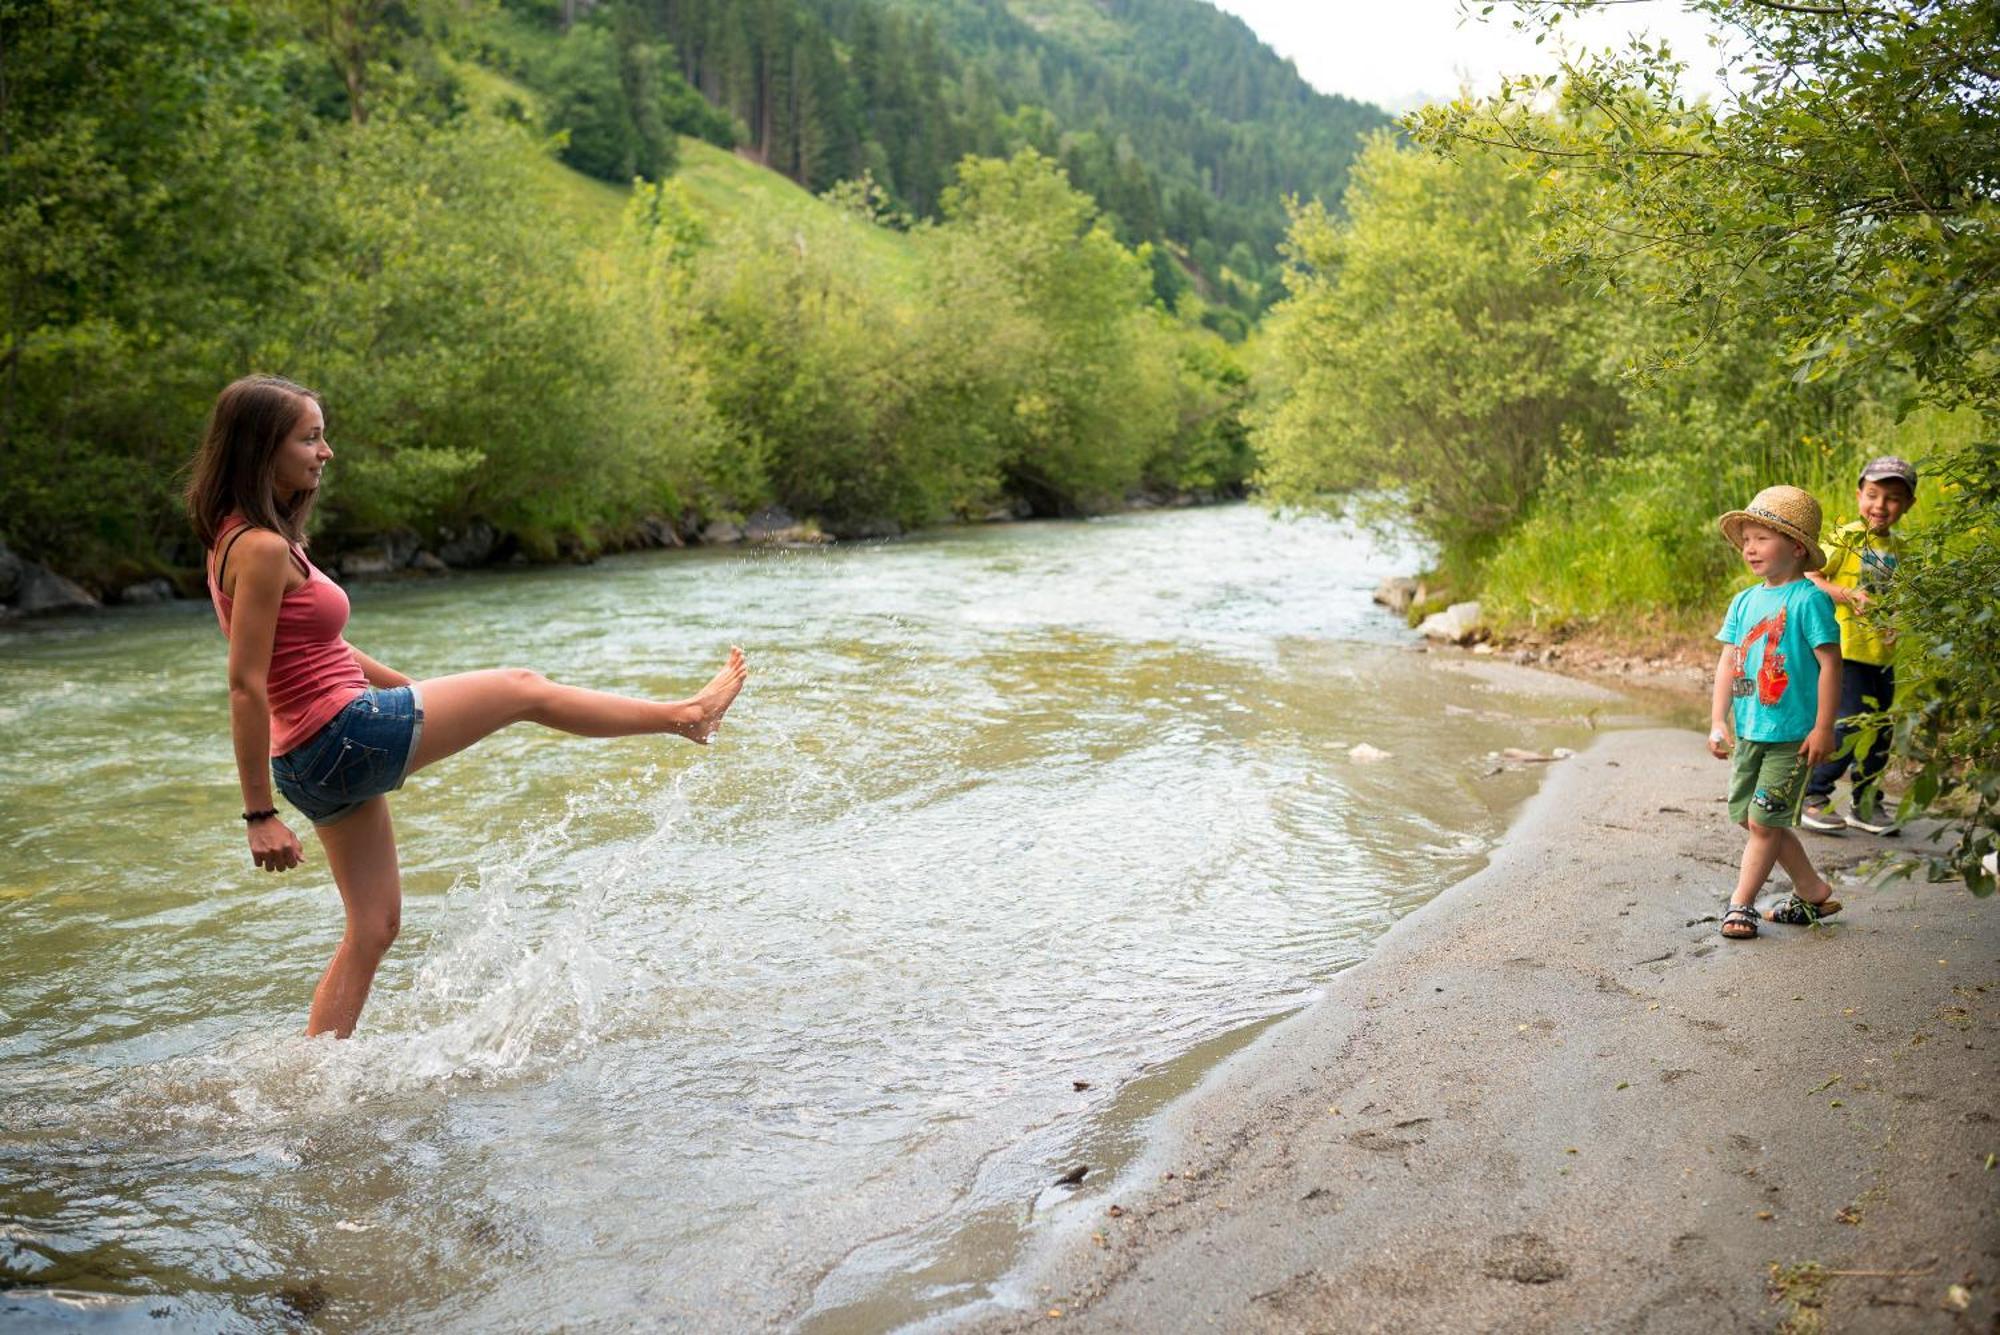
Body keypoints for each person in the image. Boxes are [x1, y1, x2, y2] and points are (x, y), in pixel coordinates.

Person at [187, 374, 748, 1037]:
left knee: (373, 928)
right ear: (260, 448)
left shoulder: (235, 535)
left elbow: (314, 642)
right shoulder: (261, 548)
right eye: (310, 438)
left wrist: (411, 693)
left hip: (314, 757)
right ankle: (686, 715)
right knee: (522, 687)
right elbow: (246, 683)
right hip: (338, 737)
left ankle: (313, 1078)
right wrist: (257, 815)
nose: (326, 452)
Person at [1707, 485, 1843, 940]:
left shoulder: (1810, 600)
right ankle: (1812, 887)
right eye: (1746, 539)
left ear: (1796, 546)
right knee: (1755, 818)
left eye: (1762, 538)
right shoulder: (1745, 601)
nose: (1749, 548)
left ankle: (1739, 905)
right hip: (1750, 731)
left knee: (1764, 821)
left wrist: (1824, 726)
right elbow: (1731, 661)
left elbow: (1830, 663)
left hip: (1792, 735)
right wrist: (1717, 720)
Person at [1799, 456, 1917, 836]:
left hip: (1882, 655)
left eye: (1893, 498)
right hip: (1845, 652)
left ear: (1908, 504)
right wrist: (1845, 593)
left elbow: (1899, 597)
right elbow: (1809, 577)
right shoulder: (1845, 537)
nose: (1881, 506)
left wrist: (1895, 623)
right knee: (1849, 727)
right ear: (1858, 495)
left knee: (1881, 730)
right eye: (1873, 495)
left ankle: (1866, 804)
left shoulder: (1902, 548)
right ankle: (1813, 796)